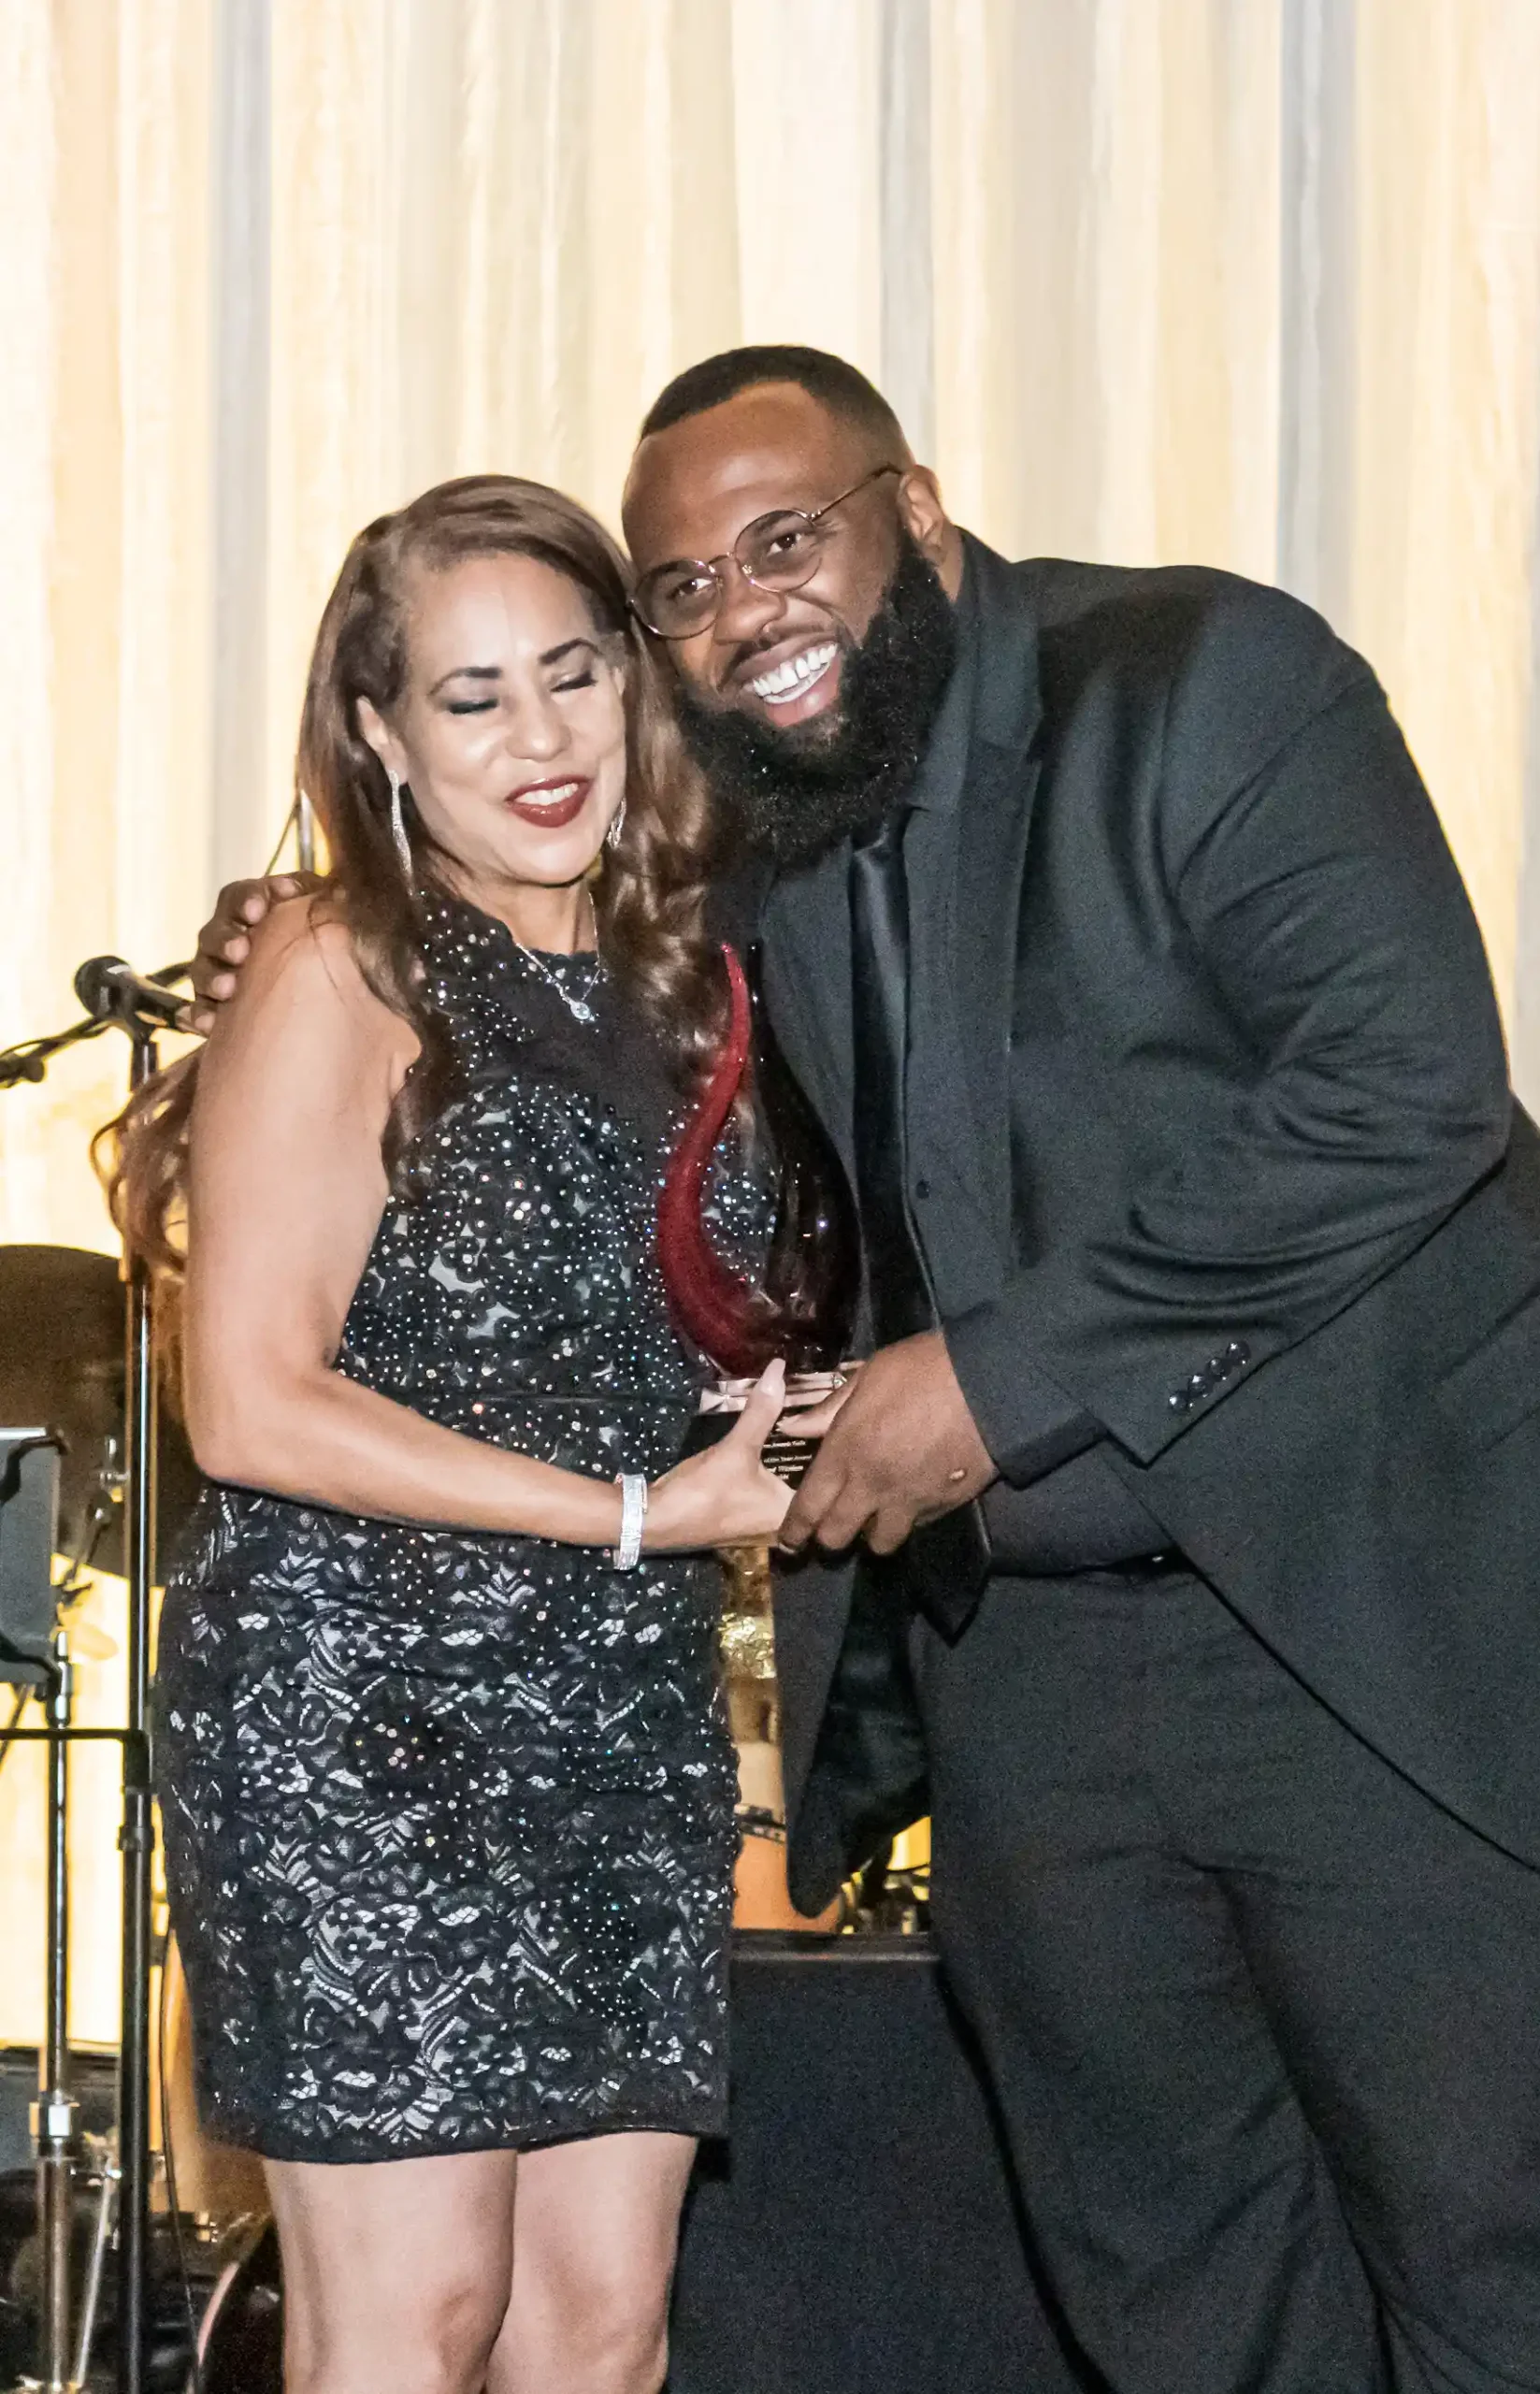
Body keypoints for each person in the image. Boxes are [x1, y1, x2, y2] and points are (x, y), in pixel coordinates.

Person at [192, 351, 1540, 2394]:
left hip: (1369, 1625)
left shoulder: (1199, 681)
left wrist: (986, 1383)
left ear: (915, 513)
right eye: (681, 588)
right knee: (1173, 2283)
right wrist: (310, 938)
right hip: (999, 1671)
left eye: (783, 542)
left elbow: (1405, 1087)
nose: (739, 611)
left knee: (1502, 2257)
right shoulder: (720, 838)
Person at [108, 473, 798, 2394]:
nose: (539, 737)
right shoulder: (344, 964)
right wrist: (639, 1508)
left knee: (600, 2328)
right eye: (471, 697)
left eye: (572, 673)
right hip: (361, 1718)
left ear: (637, 681)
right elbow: (250, 1402)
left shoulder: (705, 973)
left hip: (625, 1710)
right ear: (384, 736)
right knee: (414, 2324)